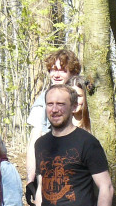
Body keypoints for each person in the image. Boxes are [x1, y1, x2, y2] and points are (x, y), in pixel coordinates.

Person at [26, 49, 82, 183]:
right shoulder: (43, 101)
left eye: (62, 70)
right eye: (52, 70)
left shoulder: (84, 93)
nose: (56, 75)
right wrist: (31, 180)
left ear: (73, 72)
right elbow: (35, 138)